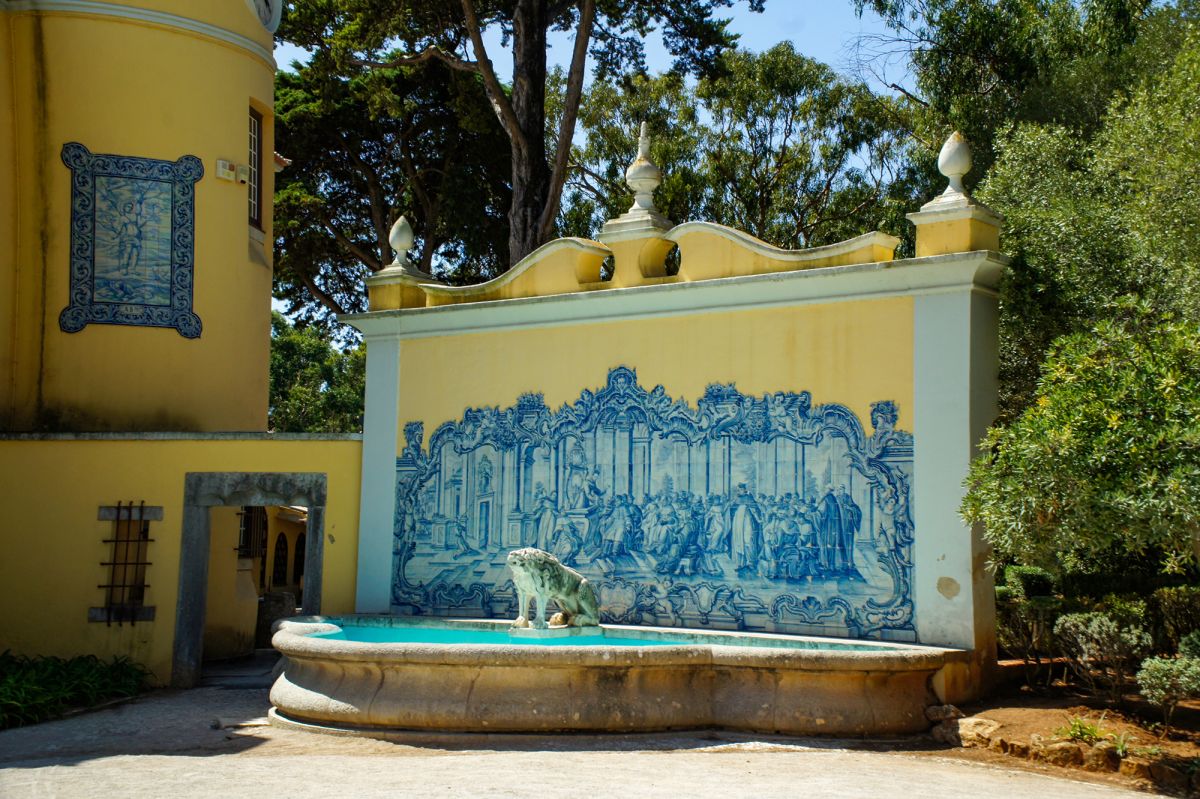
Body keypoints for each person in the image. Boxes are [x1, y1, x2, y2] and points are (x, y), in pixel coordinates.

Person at [728, 484, 763, 576]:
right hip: (737, 522)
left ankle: (750, 562)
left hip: (747, 521)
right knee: (738, 541)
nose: (738, 491)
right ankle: (740, 563)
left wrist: (758, 519)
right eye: (738, 490)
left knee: (748, 540)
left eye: (740, 489)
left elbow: (754, 509)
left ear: (744, 489)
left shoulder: (749, 498)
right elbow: (730, 509)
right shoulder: (736, 498)